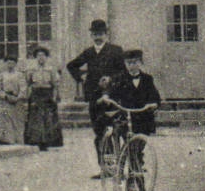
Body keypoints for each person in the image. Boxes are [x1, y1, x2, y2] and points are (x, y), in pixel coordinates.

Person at [67, 18, 125, 164]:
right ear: (91, 35)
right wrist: (82, 77)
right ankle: (104, 168)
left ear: (106, 34)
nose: (98, 37)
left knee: (116, 131)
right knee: (99, 132)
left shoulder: (116, 50)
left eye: (101, 34)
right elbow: (71, 66)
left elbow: (123, 72)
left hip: (113, 96)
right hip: (94, 97)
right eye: (95, 34)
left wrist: (111, 79)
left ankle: (119, 165)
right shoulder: (88, 52)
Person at [98, 50, 161, 136]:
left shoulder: (147, 78)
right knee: (118, 128)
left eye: (135, 62)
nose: (132, 65)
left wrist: (154, 103)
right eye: (129, 63)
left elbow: (153, 94)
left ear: (140, 63)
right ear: (125, 64)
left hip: (142, 114)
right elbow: (110, 89)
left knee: (144, 136)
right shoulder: (120, 78)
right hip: (125, 113)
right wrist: (106, 96)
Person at [23, 46, 64, 150]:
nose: (41, 58)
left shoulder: (51, 69)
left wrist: (54, 97)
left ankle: (49, 141)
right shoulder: (31, 70)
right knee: (36, 117)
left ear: (46, 57)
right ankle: (36, 140)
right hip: (36, 94)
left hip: (47, 94)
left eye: (43, 55)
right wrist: (27, 97)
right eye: (38, 56)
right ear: (35, 58)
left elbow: (55, 85)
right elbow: (27, 84)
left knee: (48, 118)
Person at [0, 55, 27, 145]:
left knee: (17, 120)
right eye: (8, 62)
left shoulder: (19, 75)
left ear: (16, 64)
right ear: (5, 63)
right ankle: (5, 139)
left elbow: (23, 88)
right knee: (4, 119)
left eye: (12, 63)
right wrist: (5, 96)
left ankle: (17, 139)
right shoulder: (1, 75)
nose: (10, 65)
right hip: (5, 100)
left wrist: (18, 97)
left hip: (17, 101)